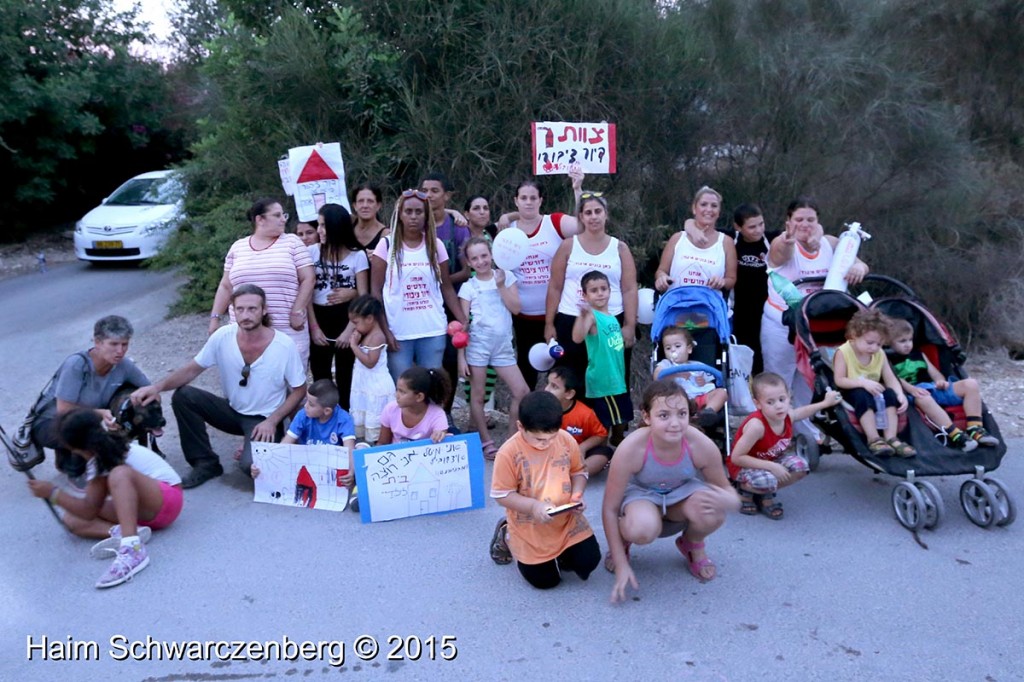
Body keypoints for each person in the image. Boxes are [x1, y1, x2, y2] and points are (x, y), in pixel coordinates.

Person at [132, 284, 308, 488]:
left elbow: (299, 390)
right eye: (240, 309)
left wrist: (273, 420)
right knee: (184, 396)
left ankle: (258, 447)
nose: (246, 315)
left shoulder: (283, 345)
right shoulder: (223, 336)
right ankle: (205, 463)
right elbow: (192, 369)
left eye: (252, 309)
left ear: (264, 310)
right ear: (232, 310)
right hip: (231, 410)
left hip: (263, 419)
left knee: (252, 468)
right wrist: (156, 387)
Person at [602, 380, 741, 603]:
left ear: (689, 414)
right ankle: (624, 539)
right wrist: (620, 563)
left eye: (681, 413)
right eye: (664, 415)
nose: (675, 423)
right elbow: (609, 509)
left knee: (712, 508)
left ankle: (692, 544)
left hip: (681, 496)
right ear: (647, 417)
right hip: (643, 496)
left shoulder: (700, 445)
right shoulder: (632, 448)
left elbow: (728, 492)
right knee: (642, 528)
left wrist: (727, 500)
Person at [27, 409, 183, 589]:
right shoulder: (95, 461)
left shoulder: (120, 449)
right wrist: (53, 493)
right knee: (72, 519)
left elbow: (116, 482)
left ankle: (132, 549)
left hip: (167, 500)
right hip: (142, 512)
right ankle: (130, 532)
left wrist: (52, 491)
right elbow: (88, 510)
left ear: (74, 447)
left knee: (119, 474)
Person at [760, 197, 868, 435]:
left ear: (819, 221)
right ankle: (773, 434)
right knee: (779, 381)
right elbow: (781, 253)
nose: (805, 224)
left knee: (810, 380)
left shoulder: (830, 242)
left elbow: (853, 257)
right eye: (799, 219)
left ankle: (804, 433)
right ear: (789, 221)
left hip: (817, 326)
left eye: (811, 219)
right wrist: (790, 239)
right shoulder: (782, 241)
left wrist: (859, 266)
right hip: (782, 325)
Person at [489, 390, 600, 589]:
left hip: (565, 520)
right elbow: (502, 494)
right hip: (529, 527)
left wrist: (577, 494)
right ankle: (508, 534)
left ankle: (561, 554)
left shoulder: (565, 440)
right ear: (520, 427)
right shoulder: (508, 452)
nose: (547, 443)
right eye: (540, 439)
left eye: (551, 437)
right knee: (546, 582)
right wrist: (533, 507)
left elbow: (579, 471)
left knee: (588, 563)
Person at [31, 315, 151, 480]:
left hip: (87, 419)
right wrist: (101, 414)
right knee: (93, 437)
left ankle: (80, 458)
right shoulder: (77, 365)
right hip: (51, 423)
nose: (120, 351)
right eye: (113, 344)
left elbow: (149, 389)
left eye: (125, 344)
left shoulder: (123, 365)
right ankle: (75, 465)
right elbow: (63, 409)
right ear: (97, 342)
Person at [547, 191, 638, 399]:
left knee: (613, 379)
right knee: (570, 376)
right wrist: (549, 323)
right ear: (581, 217)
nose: (593, 216)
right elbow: (554, 286)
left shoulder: (620, 248)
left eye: (598, 211)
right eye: (588, 212)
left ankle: (612, 429)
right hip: (571, 317)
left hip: (611, 320)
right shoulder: (569, 245)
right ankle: (571, 427)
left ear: (606, 215)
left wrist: (630, 326)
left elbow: (630, 289)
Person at [497, 172, 583, 390]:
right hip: (523, 315)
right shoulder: (508, 232)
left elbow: (583, 226)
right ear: (516, 201)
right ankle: (528, 420)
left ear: (541, 200)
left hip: (556, 315)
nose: (528, 202)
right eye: (523, 198)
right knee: (527, 371)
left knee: (561, 369)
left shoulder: (553, 223)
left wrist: (577, 189)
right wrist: (507, 217)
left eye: (533, 198)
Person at [371, 189, 467, 381]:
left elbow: (446, 286)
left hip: (432, 329)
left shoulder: (435, 245)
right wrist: (385, 329)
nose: (413, 217)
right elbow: (375, 291)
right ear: (400, 214)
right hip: (399, 332)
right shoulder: (386, 246)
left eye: (418, 212)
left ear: (426, 215)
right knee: (403, 385)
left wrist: (463, 320)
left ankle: (437, 413)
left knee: (431, 385)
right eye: (408, 212)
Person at [209, 198, 315, 367]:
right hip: (244, 329)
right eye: (277, 215)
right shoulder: (238, 247)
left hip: (286, 327)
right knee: (248, 381)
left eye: (284, 215)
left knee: (290, 383)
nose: (283, 219)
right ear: (260, 219)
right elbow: (226, 286)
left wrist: (297, 310)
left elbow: (308, 278)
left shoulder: (292, 242)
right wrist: (215, 318)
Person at [727, 372, 842, 519]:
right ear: (758, 404)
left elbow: (801, 412)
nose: (779, 406)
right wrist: (772, 467)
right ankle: (744, 491)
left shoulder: (786, 415)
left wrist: (825, 403)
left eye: (782, 399)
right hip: (745, 465)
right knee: (767, 480)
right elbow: (737, 457)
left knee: (801, 467)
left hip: (769, 460)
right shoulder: (757, 426)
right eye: (770, 402)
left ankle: (762, 493)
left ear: (789, 396)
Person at [457, 237, 530, 458]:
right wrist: (461, 357)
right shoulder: (468, 288)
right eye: (475, 258)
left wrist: (500, 285)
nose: (481, 262)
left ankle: (511, 440)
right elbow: (463, 326)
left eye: (484, 256)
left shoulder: (506, 277)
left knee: (522, 391)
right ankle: (486, 441)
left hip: (503, 347)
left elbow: (516, 308)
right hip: (478, 345)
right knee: (477, 396)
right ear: (469, 262)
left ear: (492, 255)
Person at [887, 318, 995, 448]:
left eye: (910, 340)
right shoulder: (887, 359)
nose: (908, 344)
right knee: (923, 397)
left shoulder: (918, 354)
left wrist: (940, 381)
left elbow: (936, 373)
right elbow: (892, 378)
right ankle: (955, 434)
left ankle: (975, 428)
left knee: (971, 384)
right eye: (902, 341)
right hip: (911, 392)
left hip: (931, 387)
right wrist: (911, 389)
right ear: (889, 342)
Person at [308, 203, 369, 407]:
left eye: (323, 226)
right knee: (320, 373)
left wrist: (350, 329)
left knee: (346, 374)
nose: (319, 231)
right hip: (318, 316)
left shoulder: (357, 256)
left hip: (348, 317)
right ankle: (322, 416)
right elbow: (306, 294)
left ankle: (344, 418)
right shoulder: (310, 253)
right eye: (318, 225)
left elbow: (364, 295)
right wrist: (314, 328)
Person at [832, 309, 914, 458]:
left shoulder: (879, 353)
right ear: (855, 335)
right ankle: (873, 438)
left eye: (879, 344)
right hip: (851, 389)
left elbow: (890, 379)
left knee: (890, 393)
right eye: (870, 343)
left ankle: (891, 437)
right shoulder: (843, 352)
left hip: (874, 391)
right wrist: (862, 383)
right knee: (862, 395)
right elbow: (839, 380)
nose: (874, 348)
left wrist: (900, 394)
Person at [251, 379, 356, 487]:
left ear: (327, 411)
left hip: (331, 465)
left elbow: (350, 449)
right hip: (307, 460)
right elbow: (285, 444)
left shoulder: (344, 419)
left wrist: (351, 472)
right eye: (306, 401)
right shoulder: (303, 415)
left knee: (360, 453)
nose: (305, 406)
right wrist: (263, 467)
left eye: (311, 404)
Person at [572, 270, 634, 445]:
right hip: (603, 381)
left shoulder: (612, 318)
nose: (600, 293)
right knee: (608, 421)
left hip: (617, 378)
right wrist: (582, 316)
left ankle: (616, 443)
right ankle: (603, 451)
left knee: (623, 416)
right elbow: (577, 337)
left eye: (603, 288)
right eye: (594, 290)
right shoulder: (592, 316)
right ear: (585, 295)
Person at [654, 186, 737, 292]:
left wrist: (722, 282)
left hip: (710, 305)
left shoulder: (726, 242)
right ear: (694, 208)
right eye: (703, 204)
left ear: (719, 212)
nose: (709, 209)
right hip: (677, 304)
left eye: (714, 206)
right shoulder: (677, 238)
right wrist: (662, 278)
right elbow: (661, 270)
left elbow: (731, 279)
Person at [728, 203, 779, 374]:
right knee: (743, 357)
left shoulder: (772, 240)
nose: (758, 230)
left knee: (765, 356)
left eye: (761, 224)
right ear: (738, 227)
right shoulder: (730, 240)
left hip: (767, 311)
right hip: (739, 312)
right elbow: (692, 225)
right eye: (751, 227)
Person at [653, 327, 727, 428]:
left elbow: (712, 381)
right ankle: (687, 416)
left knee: (722, 392)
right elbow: (657, 376)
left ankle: (708, 412)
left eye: (677, 346)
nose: (673, 350)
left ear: (689, 349)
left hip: (700, 399)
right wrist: (676, 374)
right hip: (677, 399)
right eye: (668, 348)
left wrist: (703, 381)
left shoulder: (698, 365)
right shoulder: (666, 364)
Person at [544, 366, 612, 476]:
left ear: (569, 394)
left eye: (554, 387)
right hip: (548, 452)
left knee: (604, 453)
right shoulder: (539, 409)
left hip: (575, 455)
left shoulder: (585, 413)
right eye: (547, 384)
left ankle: (570, 475)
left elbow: (601, 435)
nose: (546, 389)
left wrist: (582, 448)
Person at [347, 295, 394, 445]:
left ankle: (376, 444)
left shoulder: (377, 337)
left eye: (356, 322)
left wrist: (354, 346)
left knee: (375, 420)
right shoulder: (366, 335)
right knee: (363, 415)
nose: (354, 326)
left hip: (376, 385)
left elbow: (370, 362)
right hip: (364, 384)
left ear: (370, 319)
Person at [376, 367, 452, 445]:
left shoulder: (437, 415)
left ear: (419, 397)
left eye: (402, 392)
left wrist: (440, 435)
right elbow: (383, 443)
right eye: (397, 390)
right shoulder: (390, 409)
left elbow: (440, 444)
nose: (396, 395)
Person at [350, 183, 390, 257]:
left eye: (370, 201)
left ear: (378, 206)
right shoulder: (347, 228)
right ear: (354, 205)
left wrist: (380, 258)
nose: (365, 205)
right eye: (361, 201)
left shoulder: (386, 235)